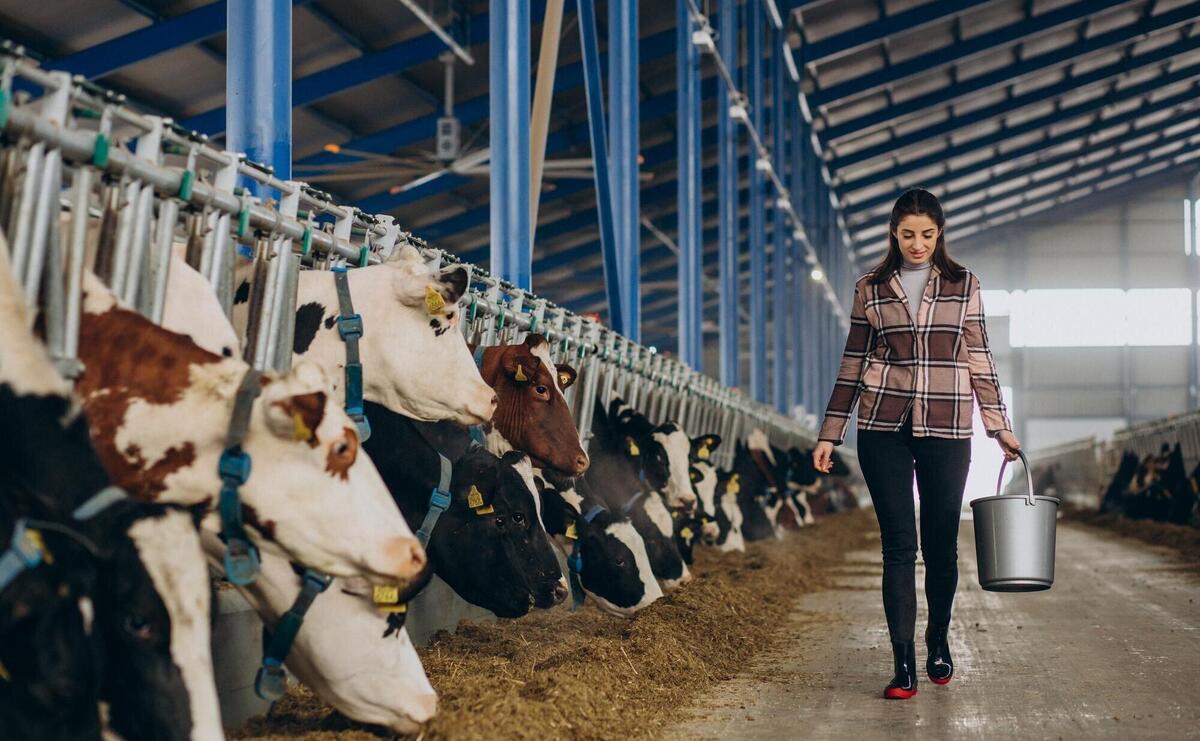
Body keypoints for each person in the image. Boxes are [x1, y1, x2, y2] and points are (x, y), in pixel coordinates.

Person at [811, 188, 1021, 700]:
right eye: (908, 234)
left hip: (948, 427)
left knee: (941, 546)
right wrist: (830, 431)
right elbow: (852, 362)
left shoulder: (964, 284)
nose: (918, 244)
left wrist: (999, 425)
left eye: (927, 234)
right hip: (881, 425)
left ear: (940, 233)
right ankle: (902, 663)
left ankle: (938, 640)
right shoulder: (870, 288)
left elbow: (980, 358)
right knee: (899, 549)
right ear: (893, 233)